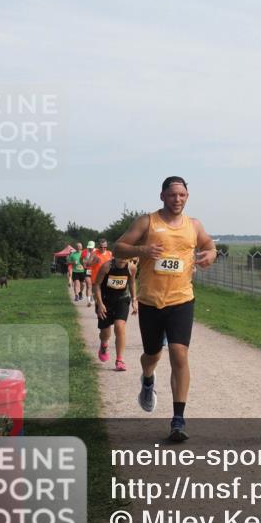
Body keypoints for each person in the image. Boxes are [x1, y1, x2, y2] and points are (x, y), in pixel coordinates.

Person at [114, 176, 217, 442]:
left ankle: (178, 419)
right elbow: (118, 248)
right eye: (172, 195)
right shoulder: (147, 222)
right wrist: (143, 249)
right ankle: (148, 379)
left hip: (182, 299)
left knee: (179, 354)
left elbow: (209, 244)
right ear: (162, 196)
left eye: (182, 195)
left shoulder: (194, 225)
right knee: (152, 355)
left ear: (187, 196)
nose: (177, 199)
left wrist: (211, 253)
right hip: (150, 301)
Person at [93, 255, 138, 371]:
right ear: (115, 256)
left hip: (122, 300)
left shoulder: (131, 268)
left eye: (125, 255)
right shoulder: (106, 267)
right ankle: (104, 344)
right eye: (120, 255)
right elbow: (96, 285)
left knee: (119, 327)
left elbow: (132, 283)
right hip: (105, 301)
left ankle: (120, 359)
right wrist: (100, 304)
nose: (123, 258)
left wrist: (134, 300)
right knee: (105, 332)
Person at [86, 238, 113, 308]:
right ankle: (98, 306)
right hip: (96, 279)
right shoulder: (94, 253)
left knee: (107, 295)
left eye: (105, 247)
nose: (103, 248)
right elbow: (88, 264)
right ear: (98, 246)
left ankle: (105, 308)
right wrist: (94, 262)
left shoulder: (109, 253)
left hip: (107, 278)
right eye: (101, 247)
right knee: (98, 296)